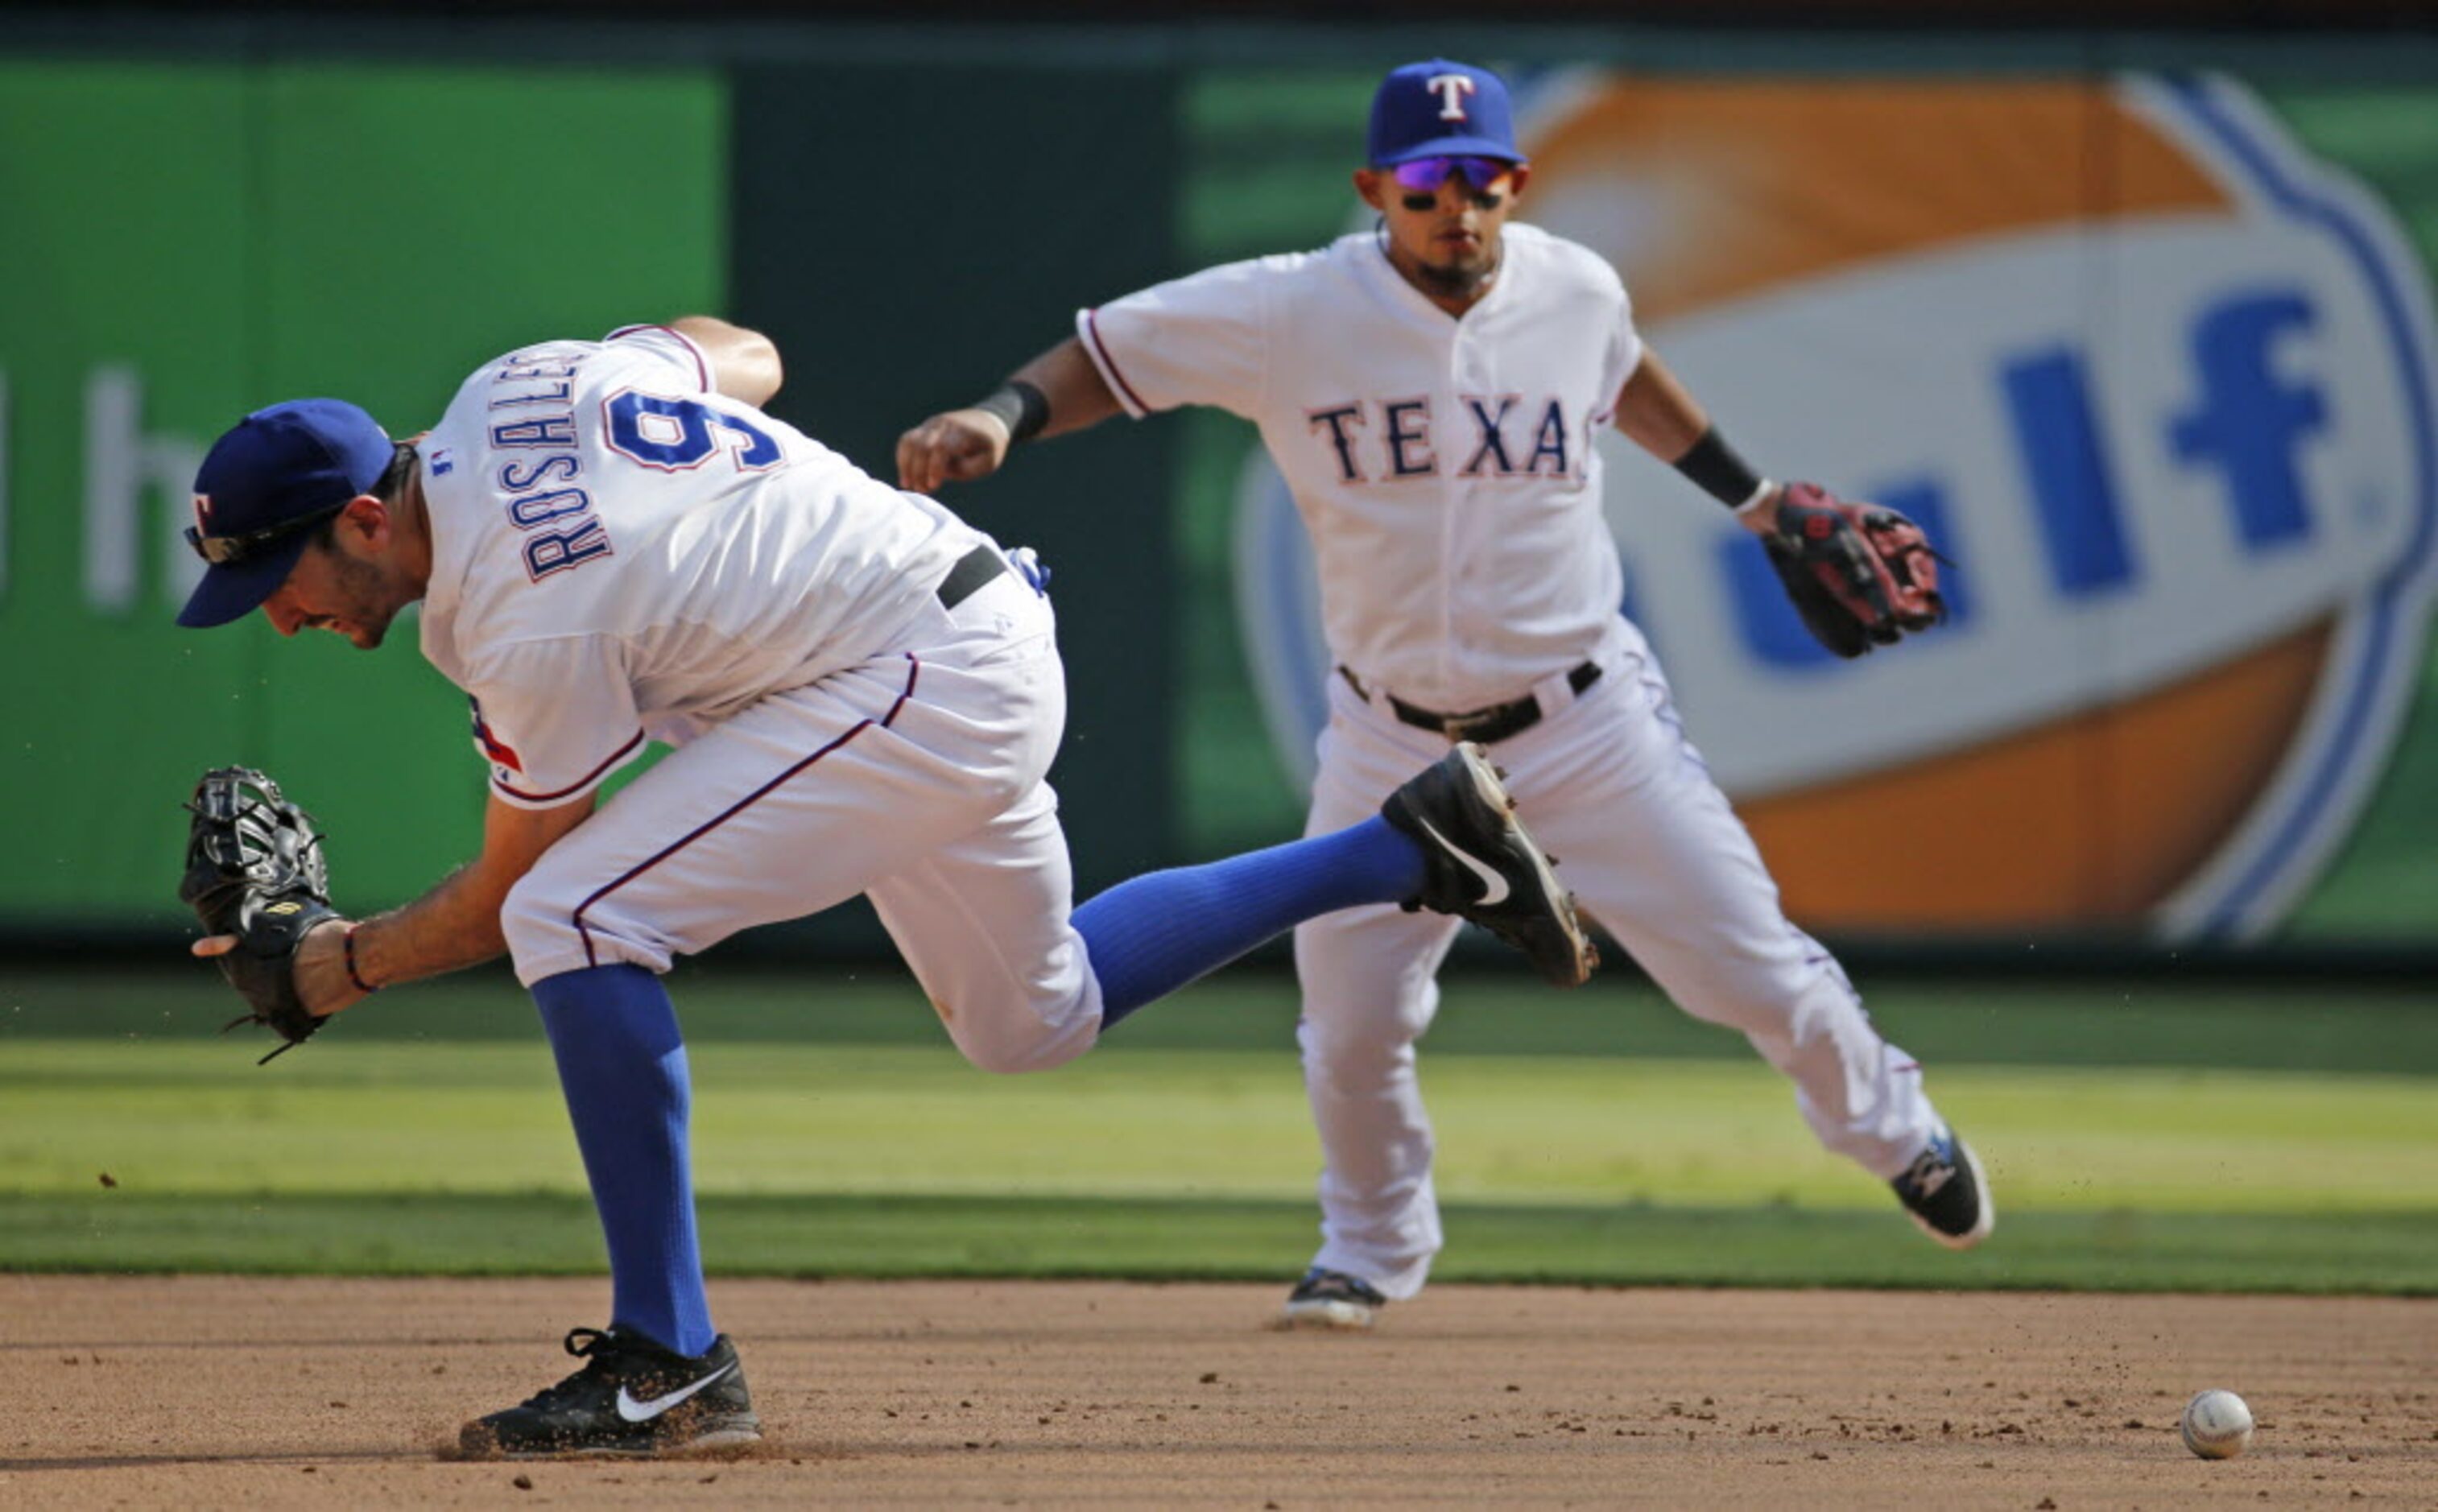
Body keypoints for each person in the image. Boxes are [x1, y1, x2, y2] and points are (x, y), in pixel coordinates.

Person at [174, 317, 1595, 1456]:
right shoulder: (518, 382)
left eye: (278, 582)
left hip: (917, 676)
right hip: (938, 635)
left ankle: (670, 1359)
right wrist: (748, 509)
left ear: (366, 519)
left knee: (576, 915)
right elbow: (736, 348)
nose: (281, 617)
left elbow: (505, 900)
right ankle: (1410, 842)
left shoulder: (516, 606)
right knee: (1029, 1018)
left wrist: (333, 962)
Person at [897, 58, 1992, 1334]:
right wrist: (1001, 415)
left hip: (1586, 721)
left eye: (1480, 182)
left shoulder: (1576, 288)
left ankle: (1895, 1127)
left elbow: (1623, 372)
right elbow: (1110, 350)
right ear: (1375, 189)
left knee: (1758, 972)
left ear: (1517, 184)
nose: (1455, 208)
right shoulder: (1292, 309)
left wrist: (1753, 499)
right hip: (1389, 743)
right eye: (1426, 184)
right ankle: (1369, 1242)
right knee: (1352, 1024)